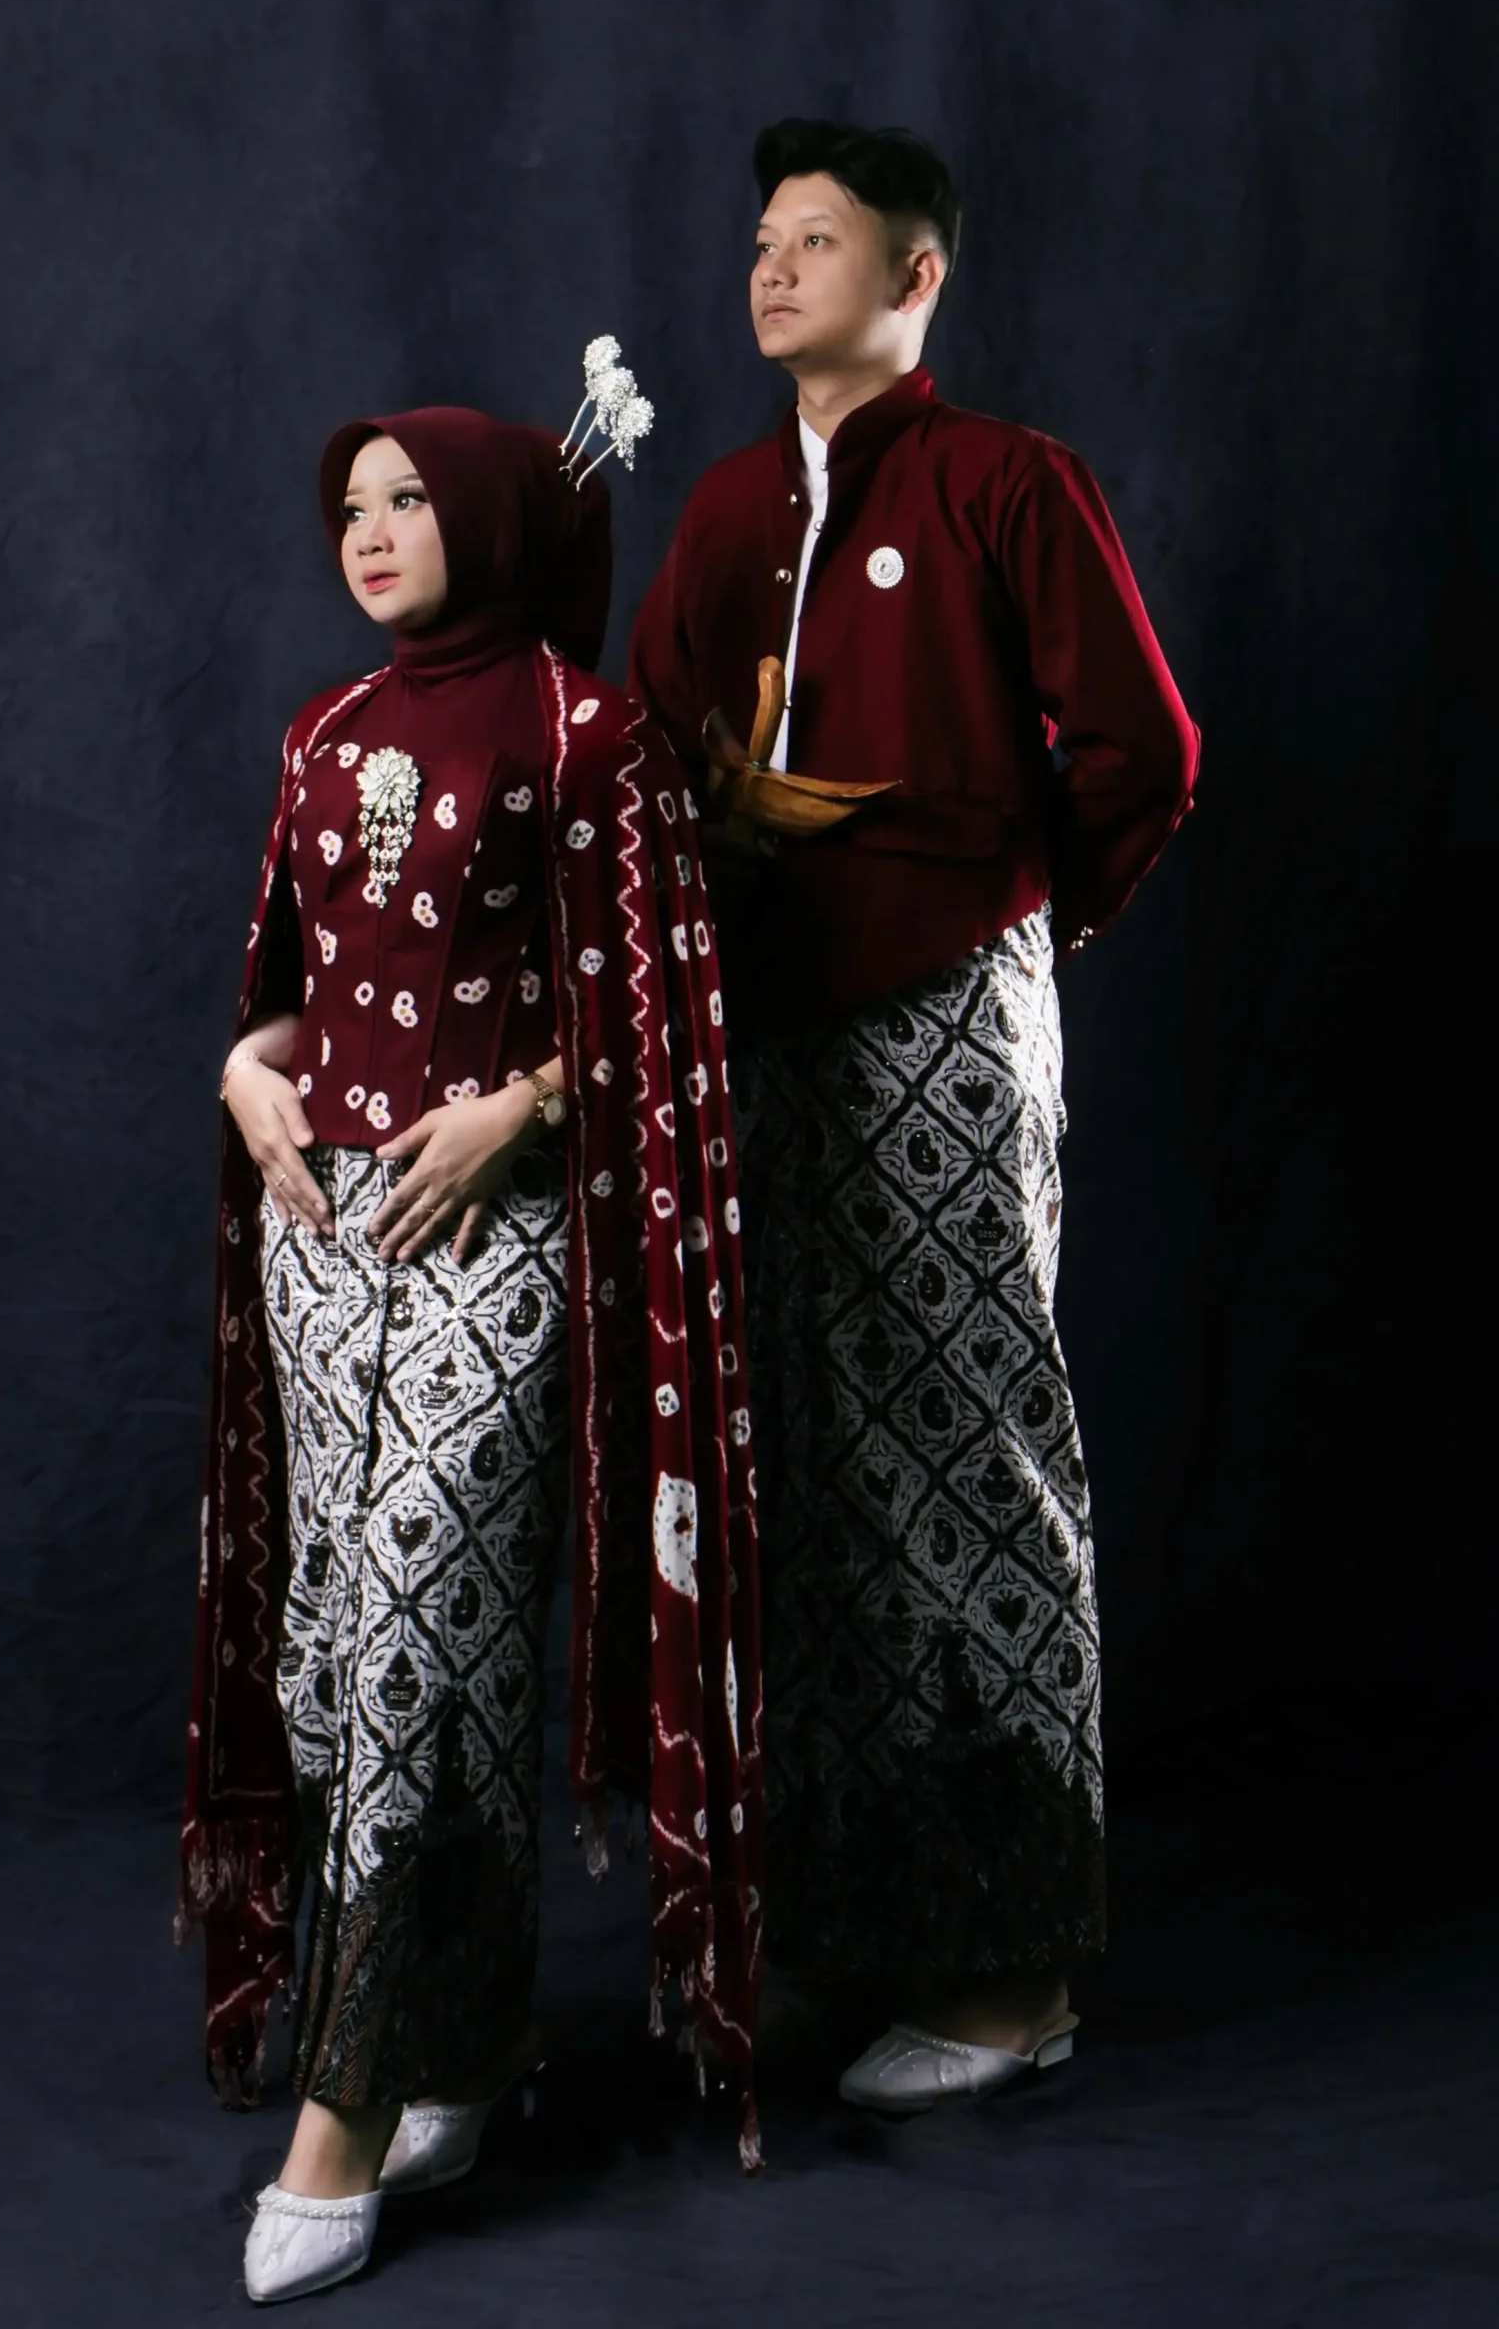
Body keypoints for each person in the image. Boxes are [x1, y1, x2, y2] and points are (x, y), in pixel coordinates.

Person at [628, 118, 1199, 2114]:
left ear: (916, 274)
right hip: (758, 1036)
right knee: (798, 1465)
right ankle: (851, 1925)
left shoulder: (1000, 483)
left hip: (946, 1012)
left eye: (817, 238)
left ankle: (1012, 1965)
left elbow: (1142, 750)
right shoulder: (722, 509)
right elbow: (650, 760)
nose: (774, 267)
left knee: (969, 1441)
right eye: (760, 239)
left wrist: (1003, 922)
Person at [180, 404, 764, 2305]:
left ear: (497, 518)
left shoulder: (587, 735)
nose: (367, 530)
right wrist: (243, 1074)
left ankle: (342, 2108)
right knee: (331, 1659)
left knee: (424, 1635)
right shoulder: (321, 732)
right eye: (347, 504)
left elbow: (674, 1007)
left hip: (495, 1243)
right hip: (321, 1239)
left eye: (408, 499)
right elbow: (304, 996)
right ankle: (475, 2032)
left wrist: (526, 1106)